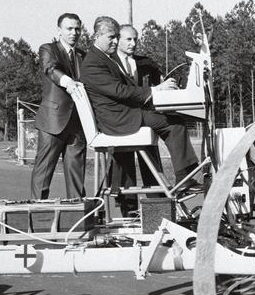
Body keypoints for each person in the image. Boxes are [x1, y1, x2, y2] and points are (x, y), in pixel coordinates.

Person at [79, 16, 199, 196]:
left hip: (123, 113)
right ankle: (184, 179)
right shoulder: (93, 62)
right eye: (111, 37)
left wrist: (156, 94)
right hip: (119, 119)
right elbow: (119, 91)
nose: (115, 41)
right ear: (97, 36)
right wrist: (154, 91)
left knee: (172, 119)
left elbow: (124, 89)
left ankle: (172, 186)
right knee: (175, 124)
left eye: (116, 37)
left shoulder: (103, 58)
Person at [30, 13, 86, 200]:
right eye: (69, 28)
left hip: (78, 125)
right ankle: (38, 211)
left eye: (77, 29)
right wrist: (68, 82)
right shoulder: (48, 49)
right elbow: (50, 69)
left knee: (76, 178)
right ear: (59, 30)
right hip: (52, 122)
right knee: (43, 175)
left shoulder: (83, 56)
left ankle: (77, 212)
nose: (74, 33)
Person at [112, 25, 163, 214]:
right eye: (128, 39)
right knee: (124, 169)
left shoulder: (146, 63)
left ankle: (159, 209)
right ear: (118, 40)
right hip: (121, 121)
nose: (133, 43)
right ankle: (129, 212)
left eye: (135, 39)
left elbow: (159, 85)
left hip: (145, 120)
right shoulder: (109, 63)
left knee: (152, 166)